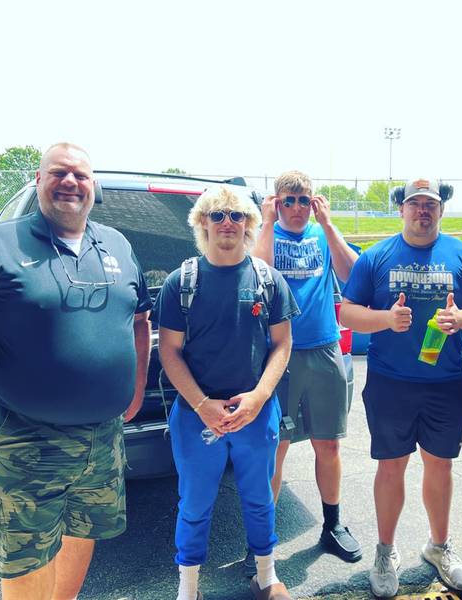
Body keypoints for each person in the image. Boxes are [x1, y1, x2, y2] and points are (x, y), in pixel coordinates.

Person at [0, 143, 152, 600]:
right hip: (23, 435)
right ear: (38, 180)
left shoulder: (117, 244)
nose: (70, 182)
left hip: (101, 437)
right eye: (58, 173)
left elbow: (140, 320)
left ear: (95, 188)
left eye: (81, 176)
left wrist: (136, 386)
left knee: (82, 530)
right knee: (23, 552)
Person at [340, 178, 462, 598]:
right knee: (391, 466)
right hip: (390, 383)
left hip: (444, 384)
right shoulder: (375, 257)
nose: (422, 211)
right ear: (402, 210)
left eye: (430, 204)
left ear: (441, 210)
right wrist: (386, 320)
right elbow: (350, 313)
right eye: (415, 204)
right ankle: (385, 550)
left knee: (439, 465)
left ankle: (438, 546)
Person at [156, 185, 299, 600]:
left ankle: (265, 576)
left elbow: (282, 345)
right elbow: (169, 350)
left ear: (251, 224)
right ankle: (189, 588)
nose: (227, 223)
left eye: (237, 216)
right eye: (217, 215)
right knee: (195, 504)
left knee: (259, 499)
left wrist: (258, 397)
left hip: (255, 412)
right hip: (196, 414)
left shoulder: (268, 280)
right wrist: (202, 405)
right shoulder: (180, 282)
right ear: (202, 223)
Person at [252, 170, 362, 566]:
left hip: (324, 350)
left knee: (328, 443)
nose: (297, 209)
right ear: (276, 202)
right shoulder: (265, 236)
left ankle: (332, 525)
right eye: (288, 201)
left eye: (304, 201)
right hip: (278, 356)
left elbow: (352, 274)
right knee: (274, 448)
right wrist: (266, 222)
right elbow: (259, 278)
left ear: (314, 203)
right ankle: (261, 539)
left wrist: (329, 224)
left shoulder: (320, 235)